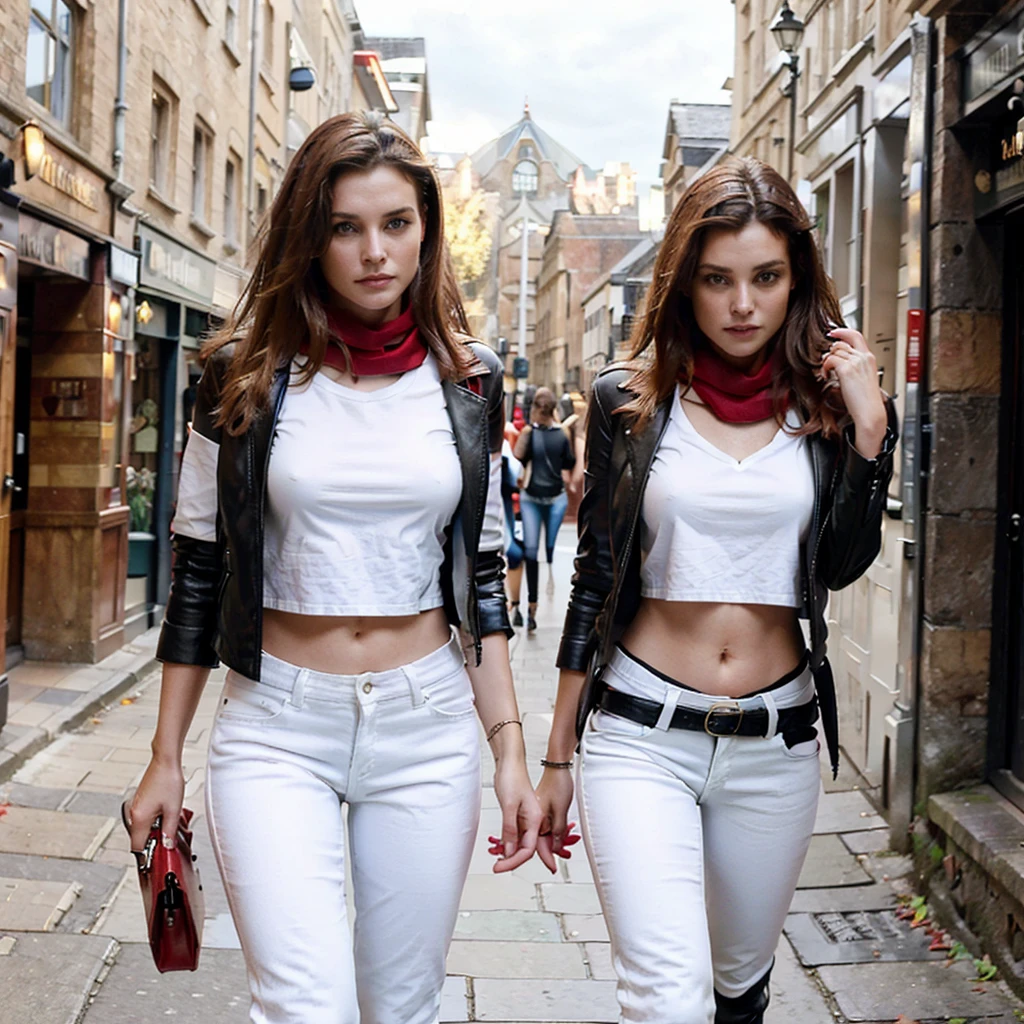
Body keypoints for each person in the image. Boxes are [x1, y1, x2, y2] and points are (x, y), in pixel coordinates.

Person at [127, 112, 542, 1024]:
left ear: (426, 231)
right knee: (303, 1006)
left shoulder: (468, 380)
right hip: (276, 725)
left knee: (402, 1005)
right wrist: (165, 758)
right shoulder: (241, 374)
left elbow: (478, 575)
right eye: (345, 227)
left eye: (395, 224)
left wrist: (510, 749)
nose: (373, 251)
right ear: (309, 237)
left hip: (427, 726)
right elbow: (198, 569)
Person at [536, 157, 898, 1024]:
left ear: (795, 282)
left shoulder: (826, 409)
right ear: (684, 284)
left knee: (738, 990)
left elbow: (841, 564)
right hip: (640, 734)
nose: (742, 304)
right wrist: (556, 754)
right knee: (668, 999)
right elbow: (594, 578)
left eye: (766, 278)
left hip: (775, 743)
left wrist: (872, 433)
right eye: (717, 280)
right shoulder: (629, 400)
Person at [513, 386, 577, 632]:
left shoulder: (530, 433)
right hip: (554, 498)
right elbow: (569, 462)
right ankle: (536, 600)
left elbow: (518, 456)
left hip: (531, 497)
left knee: (532, 552)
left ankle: (532, 608)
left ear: (535, 409)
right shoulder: (561, 434)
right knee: (544, 550)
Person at [502, 437, 525, 626]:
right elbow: (516, 472)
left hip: (501, 503)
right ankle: (511, 602)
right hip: (500, 503)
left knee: (512, 553)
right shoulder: (500, 443)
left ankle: (512, 602)